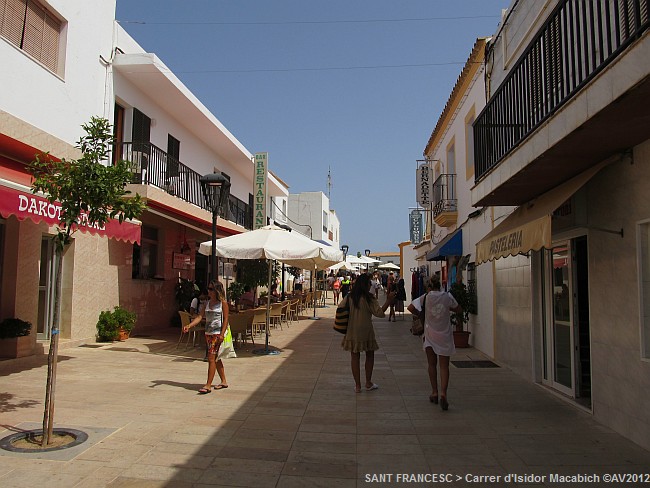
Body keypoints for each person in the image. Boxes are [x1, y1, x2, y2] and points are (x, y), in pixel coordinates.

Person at [407, 276, 461, 411]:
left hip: (430, 335)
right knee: (444, 366)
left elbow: (410, 307)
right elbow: (458, 309)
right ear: (440, 285)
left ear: (428, 286)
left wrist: (421, 314)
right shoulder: (447, 296)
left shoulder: (425, 297)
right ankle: (444, 393)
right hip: (445, 336)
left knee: (431, 364)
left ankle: (434, 392)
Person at [341, 273, 395, 393]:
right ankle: (368, 382)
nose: (371, 285)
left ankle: (357, 385)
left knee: (354, 356)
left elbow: (341, 308)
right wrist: (389, 300)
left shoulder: (350, 296)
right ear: (365, 285)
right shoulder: (369, 298)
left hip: (352, 330)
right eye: (369, 283)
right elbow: (380, 313)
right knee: (369, 355)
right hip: (366, 330)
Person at [184, 280, 236, 394]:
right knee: (216, 358)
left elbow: (226, 319)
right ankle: (224, 381)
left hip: (217, 334)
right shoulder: (207, 303)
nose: (209, 291)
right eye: (208, 288)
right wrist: (189, 325)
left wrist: (222, 334)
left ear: (217, 290)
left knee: (211, 358)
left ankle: (208, 385)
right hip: (208, 334)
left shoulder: (223, 303)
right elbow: (199, 317)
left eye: (211, 289)